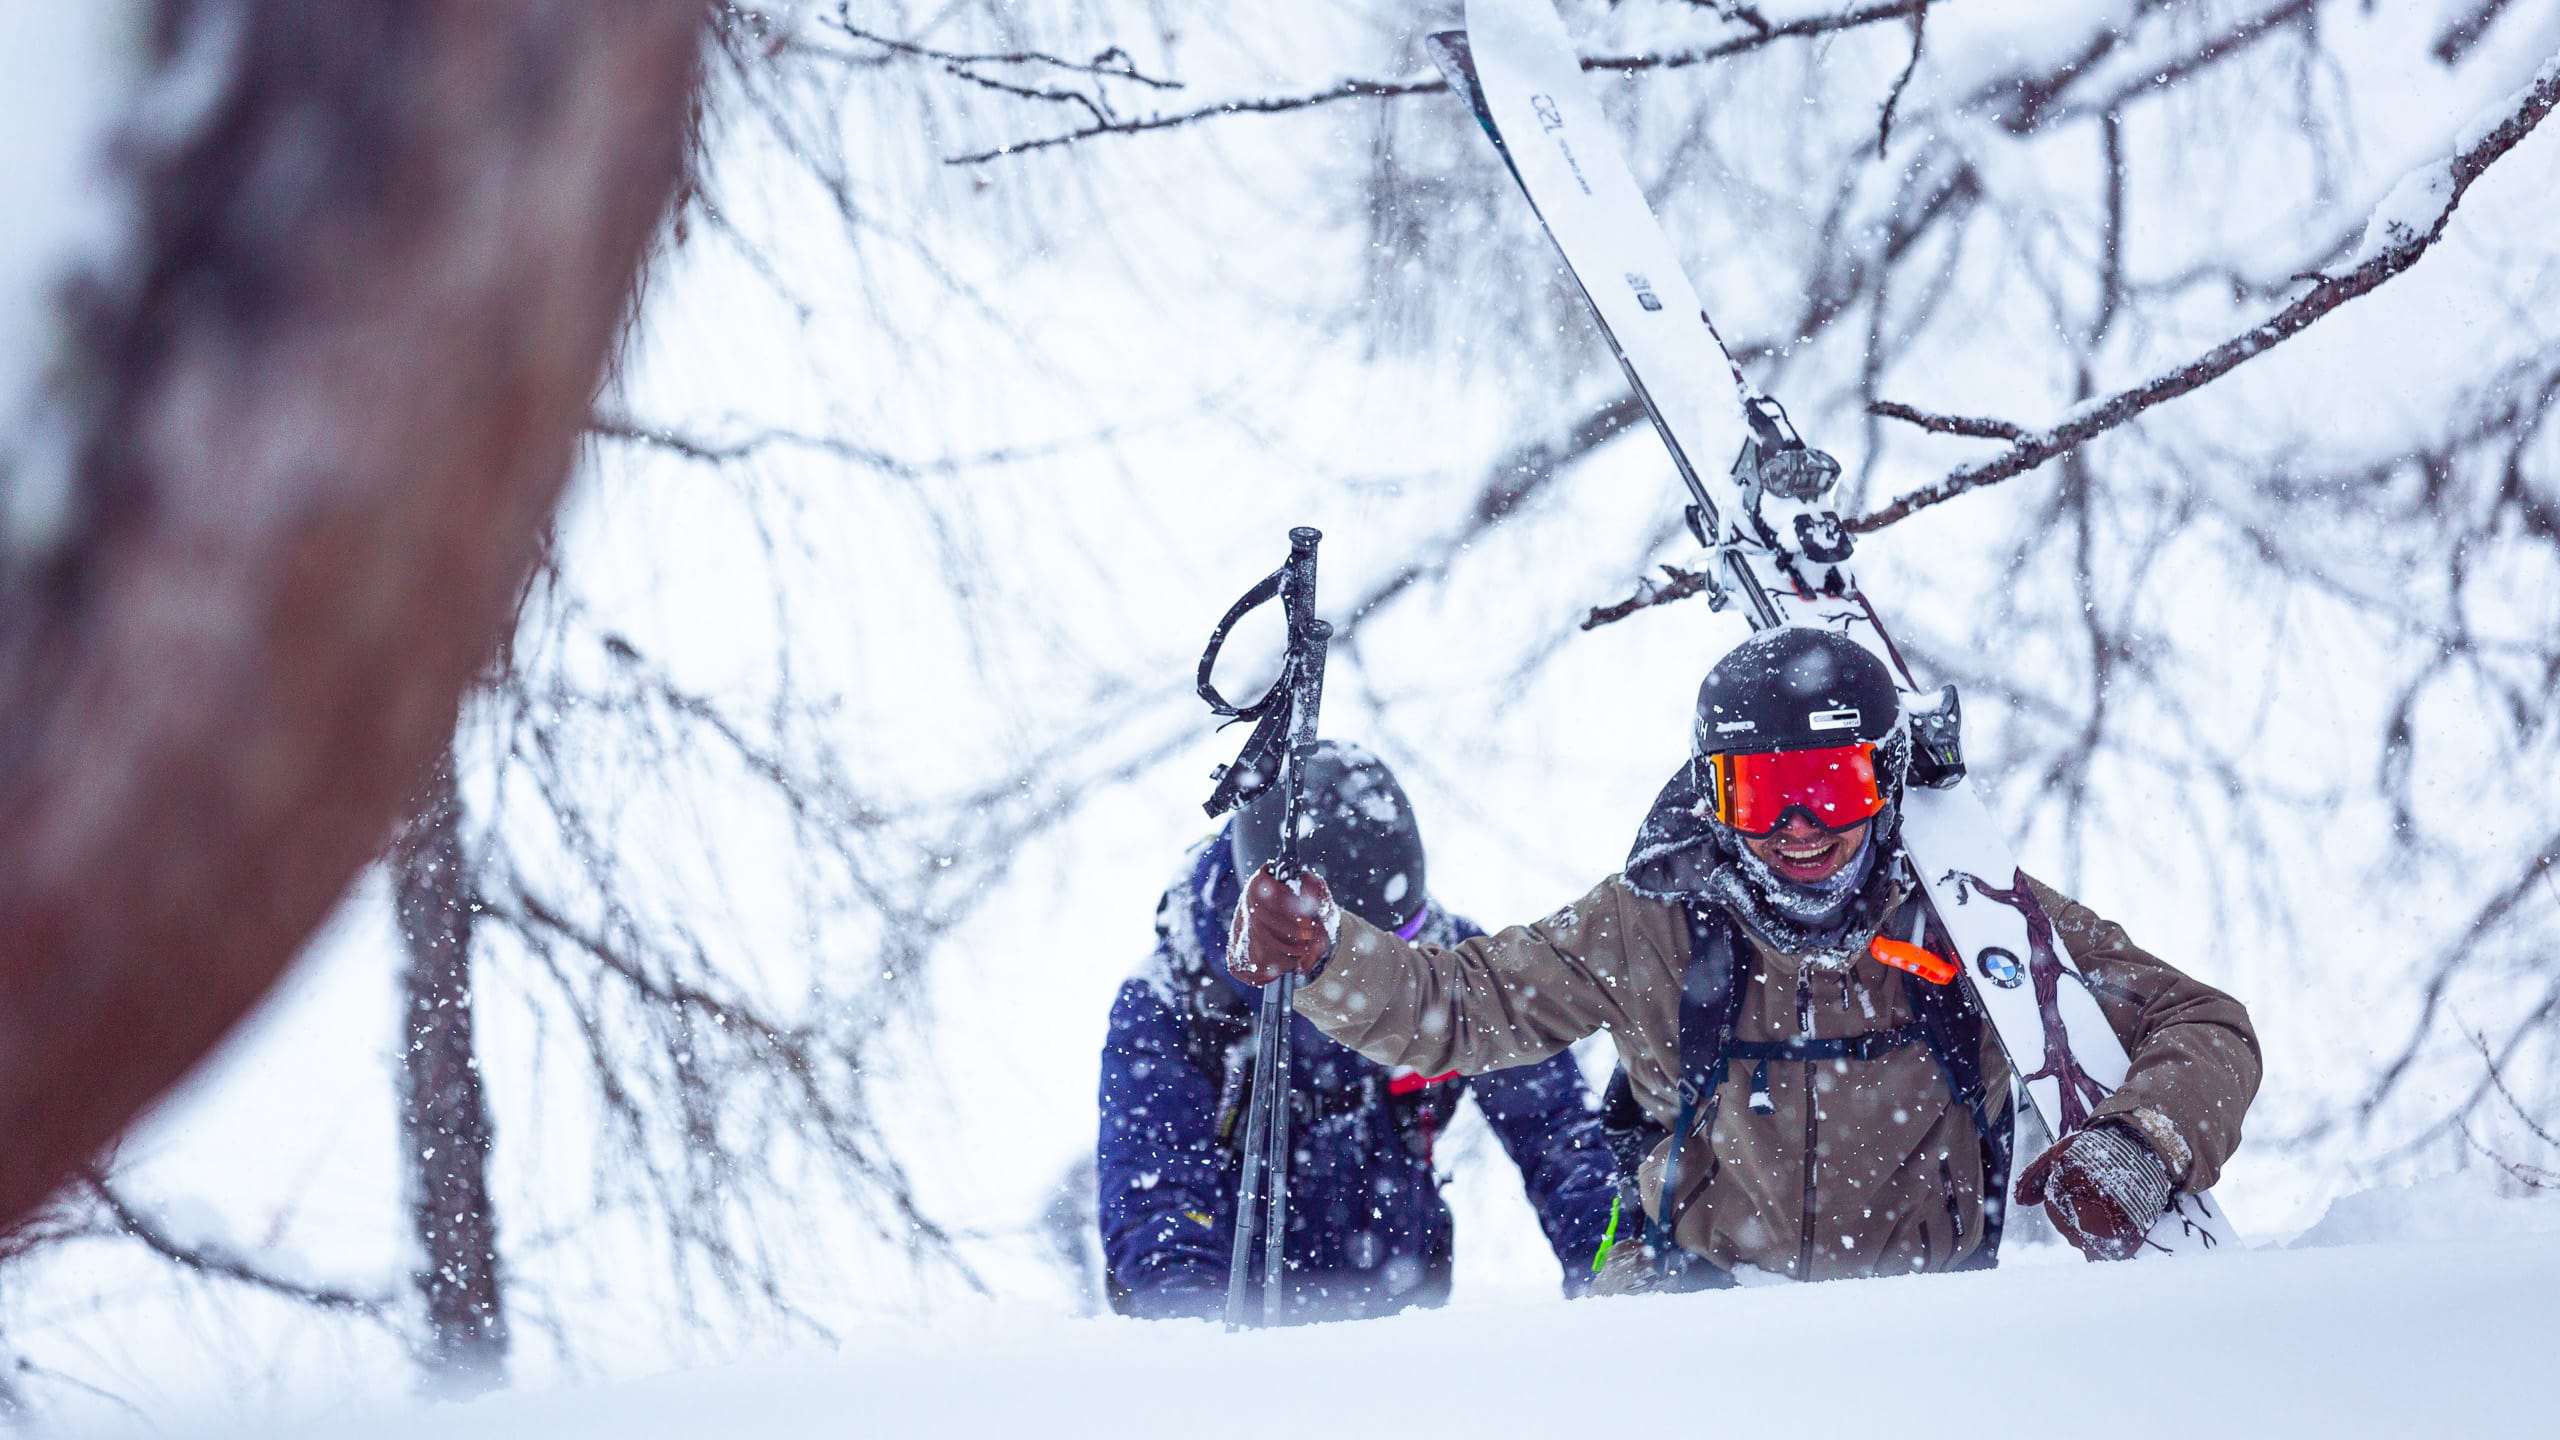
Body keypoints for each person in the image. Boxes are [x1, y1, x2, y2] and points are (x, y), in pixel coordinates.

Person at [1228, 629, 2259, 1287]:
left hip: (1927, 1336)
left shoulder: (1971, 913)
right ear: (1713, 797)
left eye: (1834, 786)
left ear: (1886, 782)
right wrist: (1325, 953)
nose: (1800, 829)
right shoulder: (1653, 921)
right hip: (1694, 1326)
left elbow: (2201, 1024)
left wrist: (2141, 1143)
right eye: (1761, 796)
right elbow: (1458, 1005)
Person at [1097, 741, 1619, 1320]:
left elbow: (1564, 1139)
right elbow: (1157, 1206)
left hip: (1403, 1321)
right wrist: (1194, 1342)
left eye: (1403, 940)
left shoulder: (1445, 964)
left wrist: (1614, 1272)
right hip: (1239, 1345)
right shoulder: (1174, 1005)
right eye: (1334, 954)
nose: (1376, 973)